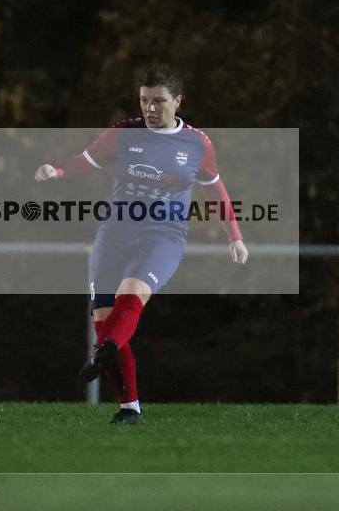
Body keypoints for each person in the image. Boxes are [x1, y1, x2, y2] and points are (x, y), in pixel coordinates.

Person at [34, 66, 248, 424]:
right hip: (115, 232)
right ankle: (129, 407)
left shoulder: (197, 144)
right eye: (144, 100)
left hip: (162, 235)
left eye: (159, 101)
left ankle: (104, 353)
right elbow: (84, 163)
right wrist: (56, 171)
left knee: (130, 296)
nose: (150, 108)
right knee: (105, 320)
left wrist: (235, 236)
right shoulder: (122, 134)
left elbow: (215, 190)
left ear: (177, 102)